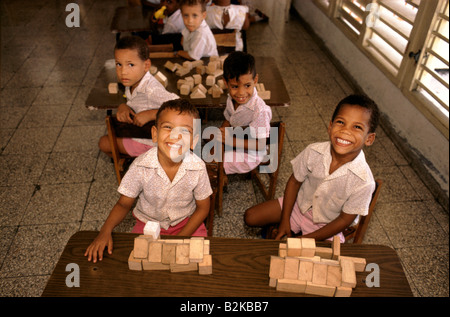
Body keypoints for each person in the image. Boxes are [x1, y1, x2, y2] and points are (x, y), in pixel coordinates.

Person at [86, 99, 213, 263]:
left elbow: (203, 208)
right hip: (147, 224)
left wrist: (181, 237)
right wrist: (105, 231)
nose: (175, 136)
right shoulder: (140, 166)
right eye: (168, 127)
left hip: (186, 224)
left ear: (194, 141)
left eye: (185, 131)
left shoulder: (198, 168)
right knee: (138, 263)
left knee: (197, 262)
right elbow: (124, 203)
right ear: (154, 134)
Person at [244, 94, 380, 242]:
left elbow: (343, 220)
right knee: (250, 217)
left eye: (357, 127)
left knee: (310, 262)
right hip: (299, 205)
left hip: (328, 224)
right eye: (341, 122)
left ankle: (288, 232)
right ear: (330, 126)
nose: (345, 131)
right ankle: (282, 227)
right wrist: (285, 220)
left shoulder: (364, 181)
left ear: (369, 138)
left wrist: (305, 240)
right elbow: (294, 183)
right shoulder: (313, 151)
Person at [98, 36, 179, 158]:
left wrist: (151, 114)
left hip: (151, 144)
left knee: (103, 143)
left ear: (146, 65)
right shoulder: (132, 81)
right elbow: (132, 100)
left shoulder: (151, 89)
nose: (123, 71)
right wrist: (123, 106)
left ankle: (150, 161)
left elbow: (181, 107)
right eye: (119, 64)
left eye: (130, 65)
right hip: (141, 136)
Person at [214, 51, 272, 175]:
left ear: (255, 80)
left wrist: (230, 141)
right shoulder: (231, 98)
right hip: (236, 139)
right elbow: (228, 118)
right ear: (225, 82)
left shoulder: (259, 110)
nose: (241, 93)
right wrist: (222, 134)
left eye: (247, 85)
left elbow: (261, 144)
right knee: (212, 148)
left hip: (252, 154)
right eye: (235, 86)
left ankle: (218, 178)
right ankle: (219, 174)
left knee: (214, 163)